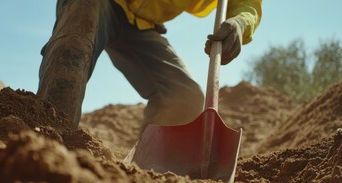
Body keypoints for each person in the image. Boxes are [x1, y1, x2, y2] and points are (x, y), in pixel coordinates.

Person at [37, 0, 262, 131]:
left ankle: (145, 168)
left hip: (142, 26)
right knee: (74, 44)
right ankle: (47, 138)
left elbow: (247, 5)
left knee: (184, 97)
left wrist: (240, 24)